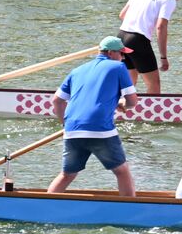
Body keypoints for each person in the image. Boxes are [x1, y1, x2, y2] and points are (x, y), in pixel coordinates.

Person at [48, 36, 140, 197]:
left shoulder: (77, 70)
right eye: (121, 53)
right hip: (100, 129)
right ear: (111, 53)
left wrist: (65, 124)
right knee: (122, 170)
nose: (123, 57)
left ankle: (45, 204)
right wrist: (124, 105)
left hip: (72, 129)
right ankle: (130, 210)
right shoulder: (118, 67)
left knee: (67, 174)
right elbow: (132, 101)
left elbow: (57, 101)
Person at [117, 0, 182, 95]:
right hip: (138, 40)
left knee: (129, 84)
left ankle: (123, 112)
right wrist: (163, 57)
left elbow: (122, 15)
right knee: (154, 85)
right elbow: (161, 27)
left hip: (121, 37)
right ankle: (152, 114)